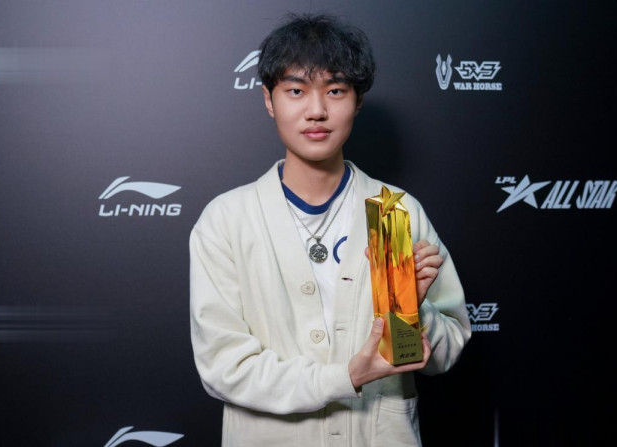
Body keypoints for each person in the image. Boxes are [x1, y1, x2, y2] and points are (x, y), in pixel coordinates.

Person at [190, 12, 471, 447]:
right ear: (269, 100)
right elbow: (224, 367)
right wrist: (346, 377)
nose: (316, 111)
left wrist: (414, 310)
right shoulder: (227, 220)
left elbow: (447, 350)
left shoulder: (394, 211)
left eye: (335, 90)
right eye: (296, 91)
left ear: (357, 101)